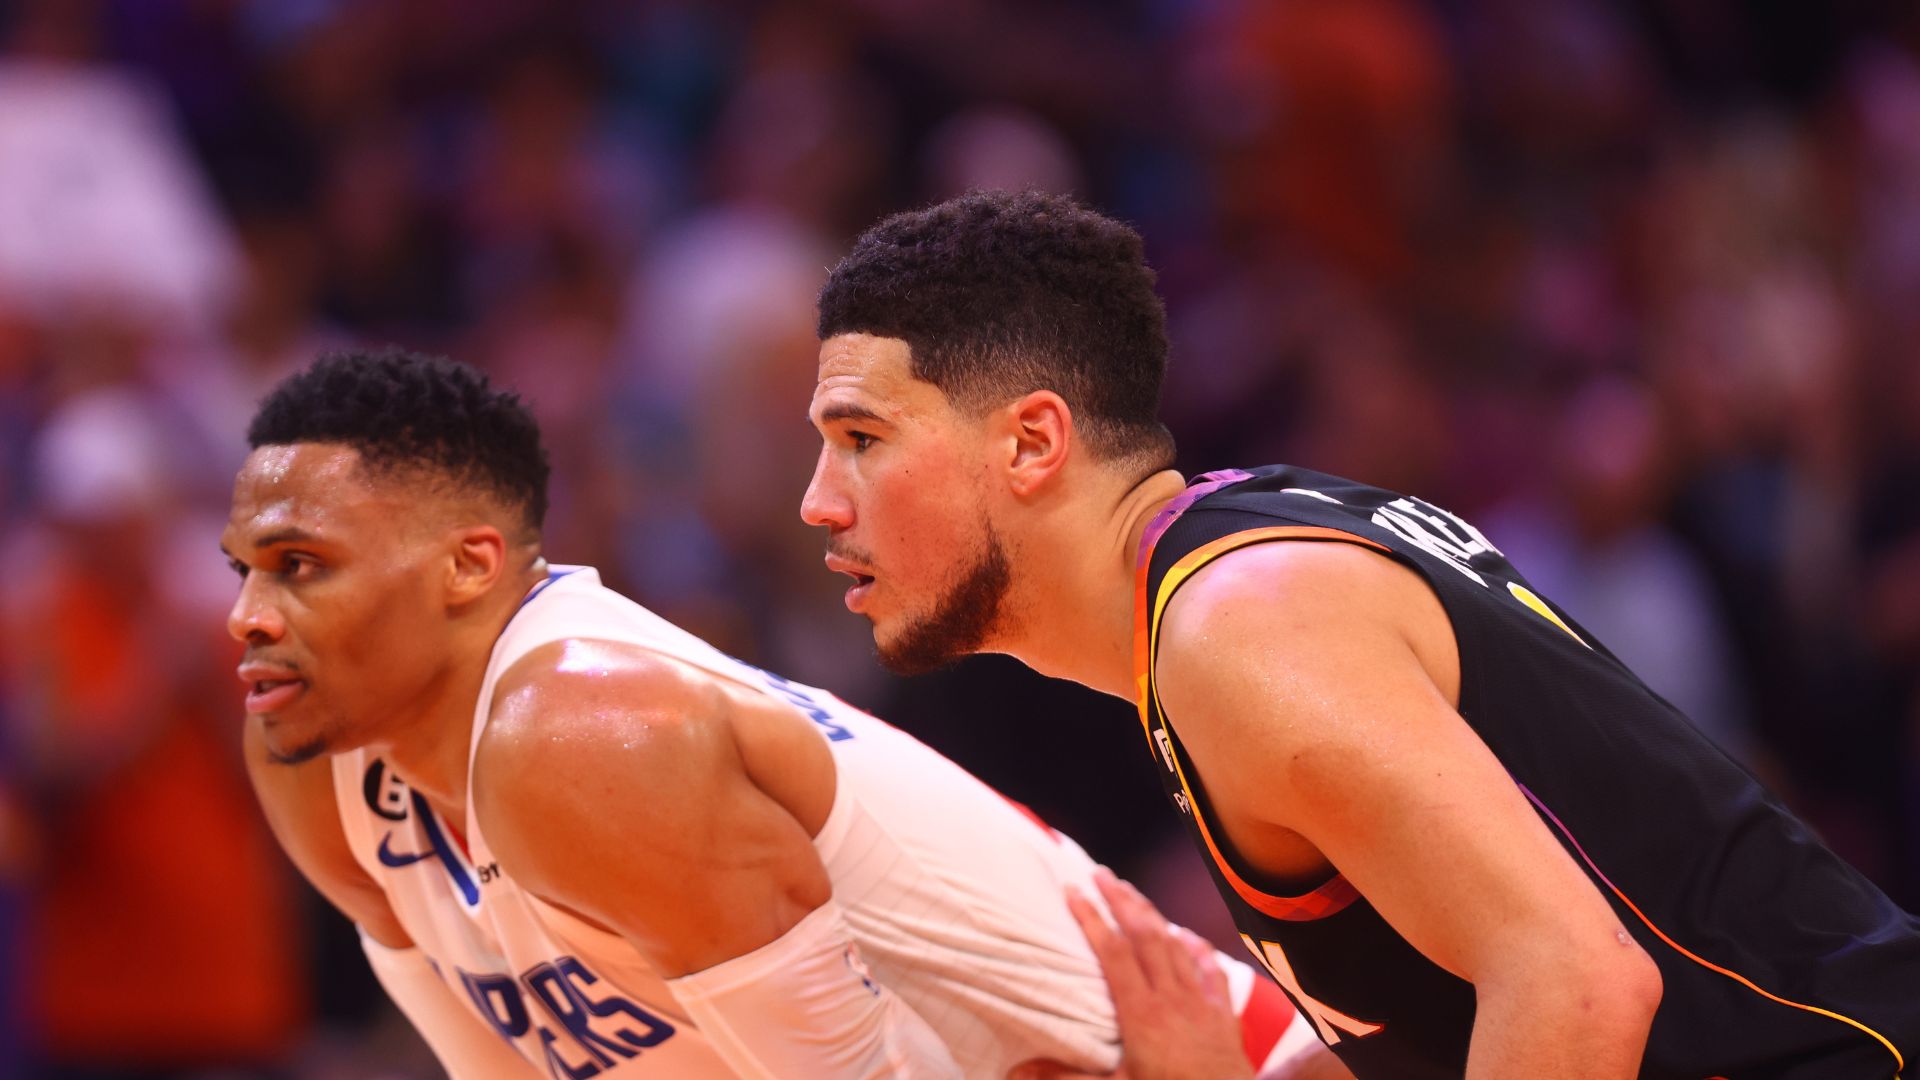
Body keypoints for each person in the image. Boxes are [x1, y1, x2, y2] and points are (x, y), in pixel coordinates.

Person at [799, 189, 1920, 1078]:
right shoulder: (1231, 568)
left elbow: (1576, 985)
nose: (820, 500)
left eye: (862, 436)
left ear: (1034, 443)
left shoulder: (1239, 627)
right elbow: (1459, 1023)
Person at [225, 348, 1328, 1080]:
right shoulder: (316, 759)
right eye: (245, 570)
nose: (247, 618)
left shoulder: (573, 734)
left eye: (301, 567)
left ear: (468, 569)